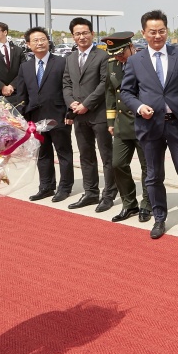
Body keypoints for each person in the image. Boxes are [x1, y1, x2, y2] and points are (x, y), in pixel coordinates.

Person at [120, 10, 178, 240]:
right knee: (153, 175)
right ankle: (159, 218)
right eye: (152, 32)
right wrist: (140, 107)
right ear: (144, 33)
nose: (157, 36)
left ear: (166, 31)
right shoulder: (135, 61)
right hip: (150, 127)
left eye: (161, 31)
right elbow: (127, 92)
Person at [14, 27, 74, 203]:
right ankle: (46, 186)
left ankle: (65, 187)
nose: (39, 43)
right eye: (35, 40)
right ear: (28, 44)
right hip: (36, 118)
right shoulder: (25, 67)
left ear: (48, 41)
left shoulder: (62, 62)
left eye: (43, 39)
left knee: (64, 153)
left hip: (58, 116)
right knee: (43, 154)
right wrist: (22, 118)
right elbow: (22, 94)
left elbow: (68, 88)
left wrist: (69, 112)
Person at [62, 17, 117, 212]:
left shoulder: (102, 56)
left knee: (107, 156)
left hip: (99, 114)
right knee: (86, 155)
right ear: (73, 36)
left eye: (85, 32)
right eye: (78, 33)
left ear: (92, 34)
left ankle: (109, 194)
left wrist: (87, 104)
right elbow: (66, 83)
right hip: (79, 115)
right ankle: (91, 192)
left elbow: (105, 84)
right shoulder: (69, 58)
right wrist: (72, 103)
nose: (82, 36)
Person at [101, 32, 152, 223]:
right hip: (122, 124)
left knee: (148, 167)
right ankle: (129, 204)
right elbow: (110, 94)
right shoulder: (112, 65)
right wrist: (111, 122)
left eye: (121, 53)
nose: (119, 57)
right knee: (118, 164)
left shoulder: (145, 63)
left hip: (143, 122)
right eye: (115, 54)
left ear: (131, 47)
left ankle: (148, 204)